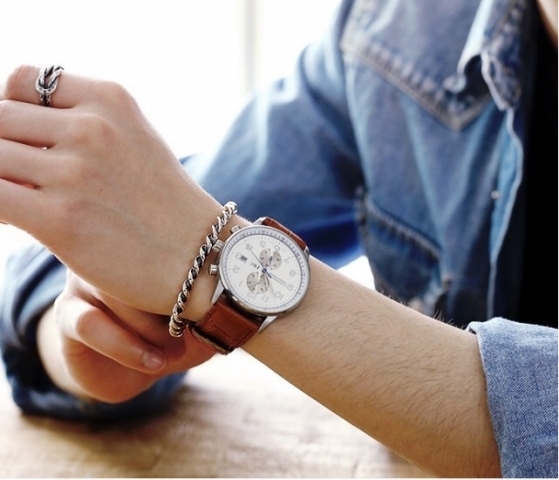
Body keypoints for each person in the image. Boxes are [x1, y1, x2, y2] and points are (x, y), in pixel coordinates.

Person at [0, 0, 557, 477]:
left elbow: (190, 243)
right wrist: (92, 337)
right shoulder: (397, 31)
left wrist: (209, 257)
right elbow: (97, 254)